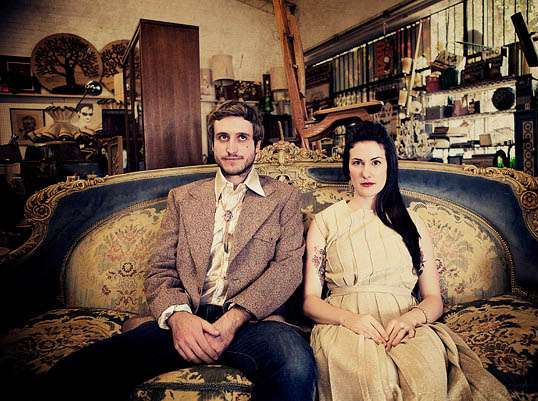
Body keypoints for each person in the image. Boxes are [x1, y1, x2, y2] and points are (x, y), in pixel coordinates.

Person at [44, 100, 316, 401]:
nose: (232, 148)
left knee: (295, 366)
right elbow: (160, 268)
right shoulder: (183, 198)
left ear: (257, 145)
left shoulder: (284, 198)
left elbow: (287, 269)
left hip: (254, 323)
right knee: (77, 370)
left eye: (242, 137)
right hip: (189, 317)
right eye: (223, 137)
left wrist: (235, 318)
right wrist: (178, 318)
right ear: (213, 144)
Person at [302, 121, 510, 401]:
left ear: (389, 165)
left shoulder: (412, 222)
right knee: (371, 381)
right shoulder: (326, 222)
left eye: (376, 162)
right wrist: (350, 320)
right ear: (347, 167)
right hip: (345, 325)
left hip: (404, 321)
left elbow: (433, 298)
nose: (366, 172)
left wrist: (411, 319)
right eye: (357, 163)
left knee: (423, 380)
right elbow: (310, 301)